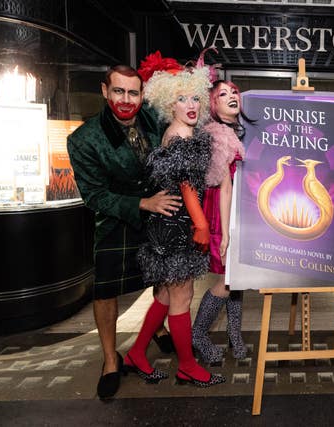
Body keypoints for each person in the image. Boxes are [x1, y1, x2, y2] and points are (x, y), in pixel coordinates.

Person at [67, 64, 183, 399]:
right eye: (118, 91)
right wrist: (143, 203)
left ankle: (157, 326)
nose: (126, 99)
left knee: (161, 277)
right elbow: (94, 196)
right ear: (105, 91)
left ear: (142, 94)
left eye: (133, 92)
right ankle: (109, 360)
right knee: (105, 291)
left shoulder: (152, 118)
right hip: (116, 220)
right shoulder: (84, 139)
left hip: (158, 209)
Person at [122, 52, 225, 387]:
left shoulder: (186, 132)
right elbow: (185, 184)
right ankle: (187, 366)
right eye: (181, 99)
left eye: (195, 97)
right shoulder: (178, 135)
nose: (190, 104)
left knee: (166, 296)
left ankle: (137, 353)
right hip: (178, 225)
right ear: (170, 104)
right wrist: (202, 225)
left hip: (174, 222)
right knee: (182, 296)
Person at [192, 80, 247, 363]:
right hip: (223, 210)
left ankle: (234, 335)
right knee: (227, 280)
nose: (231, 96)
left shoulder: (233, 131)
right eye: (222, 94)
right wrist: (225, 233)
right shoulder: (217, 134)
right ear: (213, 104)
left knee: (237, 279)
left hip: (235, 207)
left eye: (234, 92)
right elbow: (224, 187)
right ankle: (198, 335)